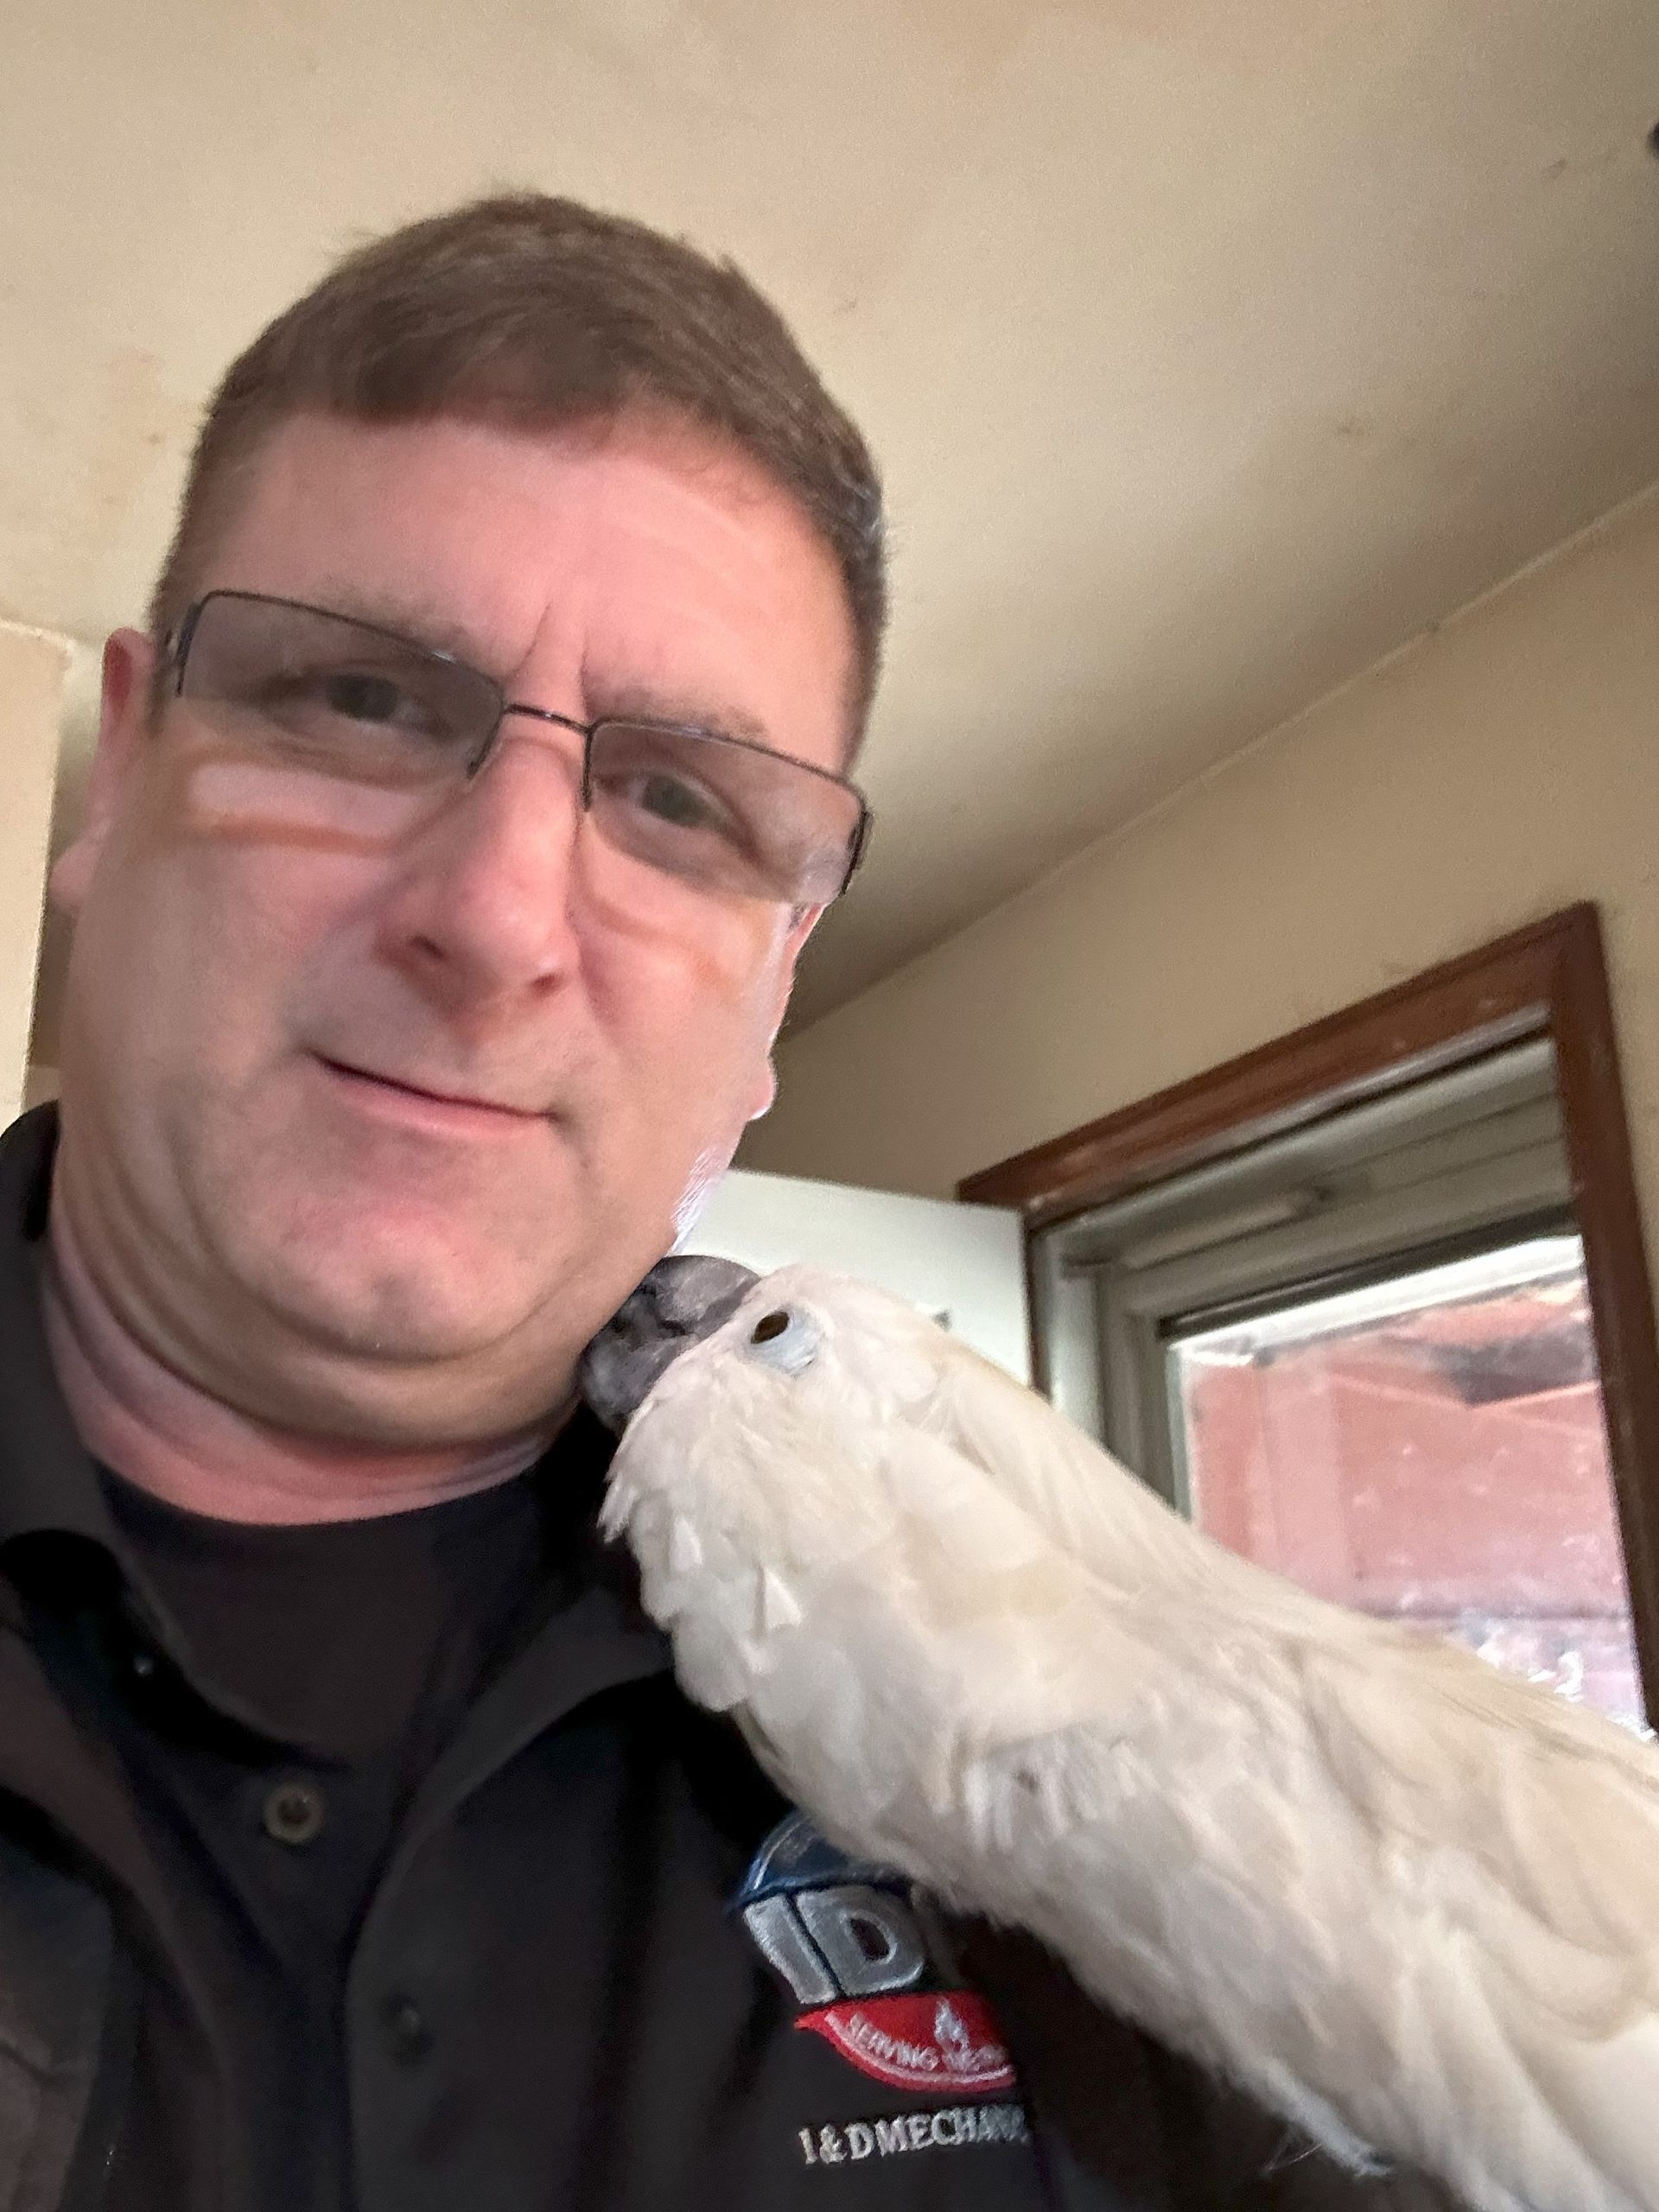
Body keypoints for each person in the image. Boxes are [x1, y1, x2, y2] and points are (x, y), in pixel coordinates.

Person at [0, 194, 1450, 2212]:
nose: (498, 915)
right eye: (362, 699)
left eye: (678, 798)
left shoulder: (1049, 1709)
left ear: (776, 986)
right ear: (119, 774)